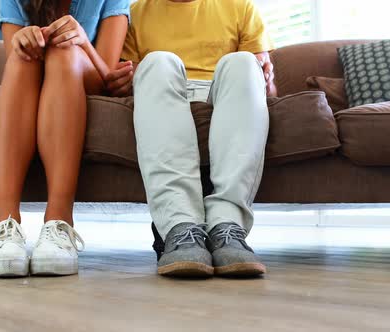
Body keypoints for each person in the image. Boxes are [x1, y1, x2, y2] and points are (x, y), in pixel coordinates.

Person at [105, 0, 276, 277]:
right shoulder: (133, 13)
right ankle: (180, 226)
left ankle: (227, 228)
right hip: (163, 86)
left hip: (221, 91)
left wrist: (266, 78)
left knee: (244, 61)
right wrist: (121, 81)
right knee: (158, 60)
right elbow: (125, 78)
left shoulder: (240, 7)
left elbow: (266, 87)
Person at [0, 0, 130, 278]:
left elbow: (107, 74)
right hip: (34, 73)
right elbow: (14, 55)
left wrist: (82, 41)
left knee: (63, 51)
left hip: (85, 72)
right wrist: (23, 40)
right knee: (22, 56)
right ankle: (4, 224)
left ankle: (59, 222)